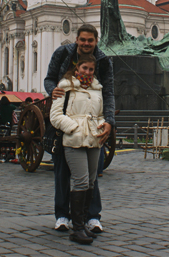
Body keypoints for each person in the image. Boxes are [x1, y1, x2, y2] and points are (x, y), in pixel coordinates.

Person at [45, 24, 115, 234]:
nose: (86, 43)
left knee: (90, 175)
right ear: (77, 40)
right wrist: (53, 91)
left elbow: (109, 91)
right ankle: (62, 216)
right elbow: (49, 78)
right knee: (62, 171)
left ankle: (92, 217)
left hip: (93, 120)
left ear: (96, 41)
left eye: (90, 40)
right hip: (66, 117)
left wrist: (109, 120)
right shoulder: (62, 53)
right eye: (82, 40)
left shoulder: (103, 60)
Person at [50, 53, 104, 245]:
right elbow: (55, 116)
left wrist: (103, 125)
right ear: (77, 68)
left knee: (90, 182)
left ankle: (82, 224)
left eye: (91, 69)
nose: (87, 72)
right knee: (80, 182)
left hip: (94, 140)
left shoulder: (98, 88)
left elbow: (100, 114)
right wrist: (73, 128)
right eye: (84, 68)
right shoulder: (65, 86)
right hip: (74, 140)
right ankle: (78, 229)